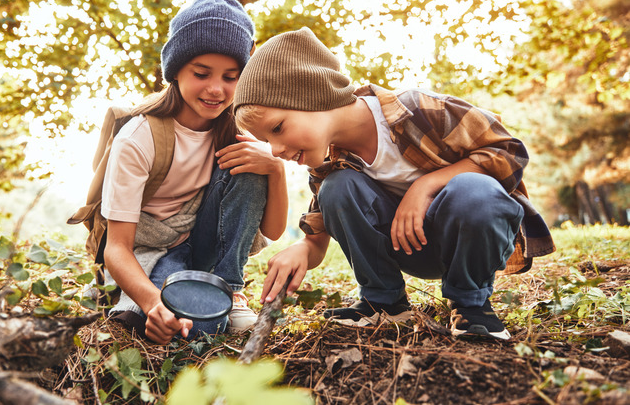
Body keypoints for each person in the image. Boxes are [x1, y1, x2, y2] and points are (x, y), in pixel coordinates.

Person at [232, 27, 555, 340]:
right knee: (338, 187)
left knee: (475, 190)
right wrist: (301, 250)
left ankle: (471, 306)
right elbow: (318, 238)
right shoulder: (327, 165)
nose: (274, 150)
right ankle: (384, 302)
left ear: (313, 96)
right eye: (264, 140)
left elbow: (508, 152)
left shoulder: (419, 110)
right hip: (409, 249)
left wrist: (425, 186)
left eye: (277, 128)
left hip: (470, 238)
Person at [101, 0, 287, 344]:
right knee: (187, 329)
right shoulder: (138, 138)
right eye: (202, 73)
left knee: (249, 163)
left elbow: (274, 231)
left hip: (204, 242)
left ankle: (228, 289)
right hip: (152, 250)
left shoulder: (237, 133)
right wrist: (153, 303)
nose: (216, 89)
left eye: (231, 77)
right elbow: (117, 247)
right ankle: (157, 293)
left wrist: (274, 167)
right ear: (176, 70)